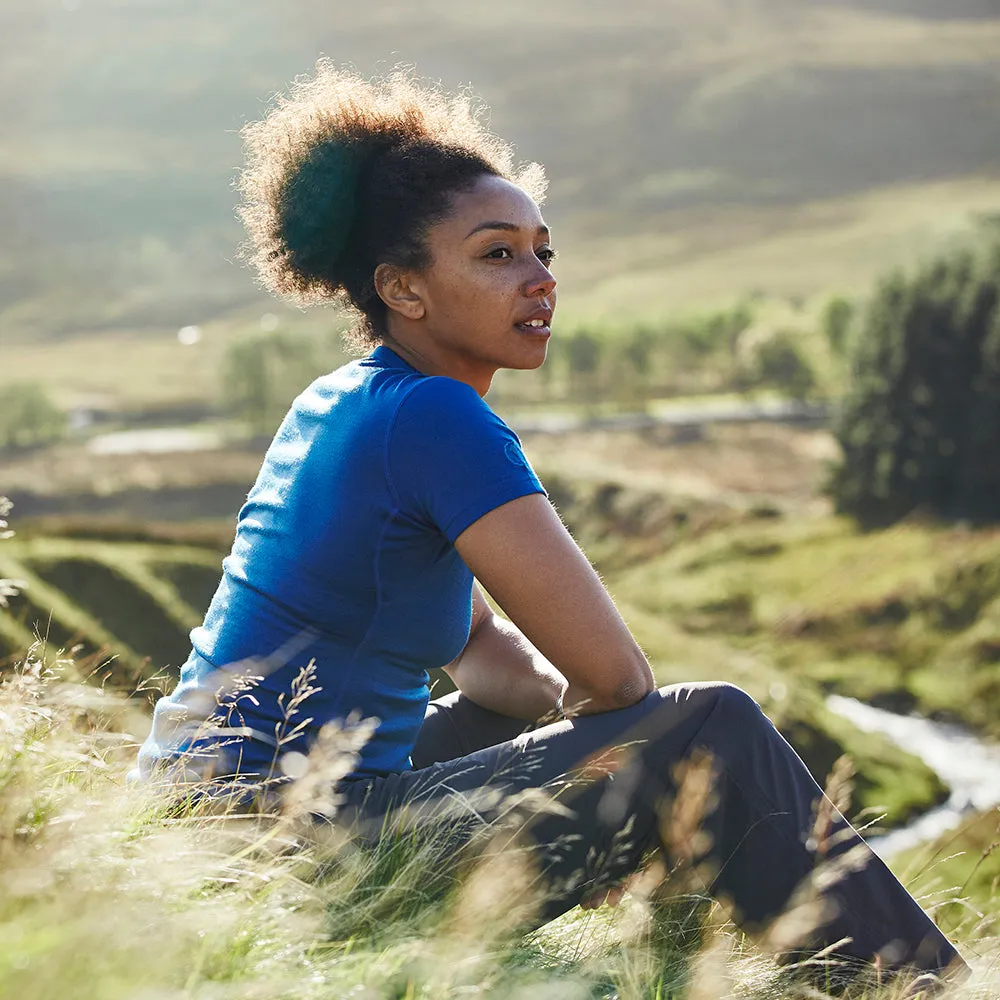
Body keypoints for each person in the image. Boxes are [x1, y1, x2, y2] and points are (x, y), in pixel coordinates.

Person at [136, 63, 965, 994]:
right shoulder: (438, 419)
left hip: (192, 818)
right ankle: (924, 989)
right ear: (402, 288)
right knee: (711, 728)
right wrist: (605, 759)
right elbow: (616, 678)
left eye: (544, 251)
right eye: (498, 255)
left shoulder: (347, 403)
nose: (539, 280)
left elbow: (491, 657)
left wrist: (563, 746)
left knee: (549, 722)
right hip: (286, 854)